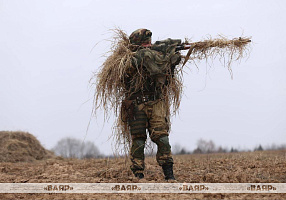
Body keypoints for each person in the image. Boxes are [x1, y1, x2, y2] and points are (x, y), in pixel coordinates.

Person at [123, 28, 182, 180]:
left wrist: (171, 61)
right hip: (137, 106)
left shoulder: (157, 56)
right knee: (138, 140)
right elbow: (126, 75)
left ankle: (169, 174)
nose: (148, 47)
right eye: (144, 44)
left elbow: (166, 78)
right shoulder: (128, 59)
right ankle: (138, 174)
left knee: (162, 138)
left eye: (149, 43)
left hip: (156, 102)